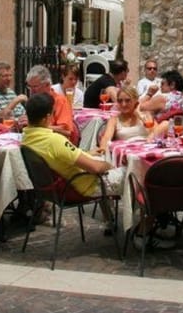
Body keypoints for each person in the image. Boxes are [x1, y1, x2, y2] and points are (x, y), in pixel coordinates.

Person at [20, 92, 122, 229]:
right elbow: (96, 168)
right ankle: (140, 232)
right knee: (133, 176)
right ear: (47, 118)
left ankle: (110, 222)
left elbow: (64, 156)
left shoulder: (26, 138)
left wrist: (86, 154)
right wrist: (109, 166)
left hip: (53, 190)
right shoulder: (54, 141)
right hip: (81, 188)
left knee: (98, 159)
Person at [96, 87, 163, 153]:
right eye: (120, 101)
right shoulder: (114, 119)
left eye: (128, 100)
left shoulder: (145, 115)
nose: (123, 104)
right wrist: (102, 149)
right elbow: (106, 138)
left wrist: (140, 116)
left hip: (148, 151)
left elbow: (156, 134)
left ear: (135, 101)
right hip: (127, 154)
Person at [26, 65, 79, 144]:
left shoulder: (60, 101)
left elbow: (67, 132)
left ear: (47, 85)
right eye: (29, 87)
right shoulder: (33, 101)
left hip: (54, 145)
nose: (31, 91)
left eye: (35, 87)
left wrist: (39, 126)